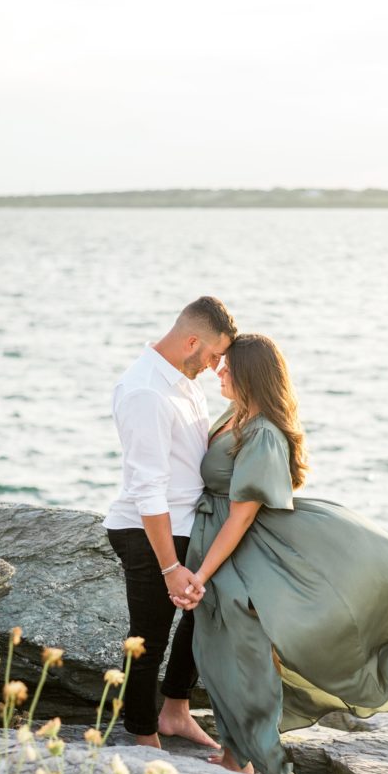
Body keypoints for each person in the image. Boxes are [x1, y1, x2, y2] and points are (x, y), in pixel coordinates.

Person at [177, 334, 388, 774]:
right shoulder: (236, 415)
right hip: (220, 543)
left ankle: (263, 764)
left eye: (228, 366)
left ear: (252, 374)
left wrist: (201, 573)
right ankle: (237, 753)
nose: (219, 371)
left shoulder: (263, 433)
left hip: (245, 551)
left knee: (243, 653)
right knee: (216, 650)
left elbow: (242, 514)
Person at [103, 296, 237, 749]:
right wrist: (168, 566)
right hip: (148, 533)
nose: (217, 365)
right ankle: (142, 736)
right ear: (192, 341)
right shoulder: (146, 392)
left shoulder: (183, 381)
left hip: (187, 527)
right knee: (148, 639)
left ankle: (175, 711)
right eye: (214, 355)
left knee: (206, 617)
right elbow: (148, 488)